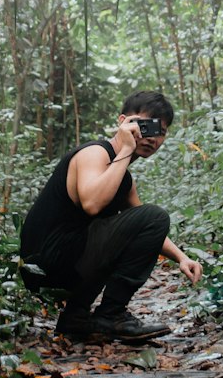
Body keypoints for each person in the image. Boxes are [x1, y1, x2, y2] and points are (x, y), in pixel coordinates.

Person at [20, 89, 202, 342]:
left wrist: (182, 258)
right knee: (154, 215)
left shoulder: (123, 178)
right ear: (123, 122)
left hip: (67, 260)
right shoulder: (94, 154)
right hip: (44, 263)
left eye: (160, 131)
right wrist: (126, 148)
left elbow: (144, 228)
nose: (151, 137)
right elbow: (92, 204)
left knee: (146, 219)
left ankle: (76, 316)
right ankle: (111, 314)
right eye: (145, 126)